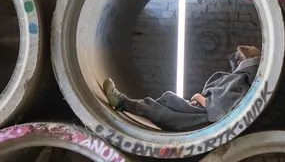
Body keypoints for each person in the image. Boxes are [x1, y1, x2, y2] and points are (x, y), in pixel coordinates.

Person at [103, 45, 261, 131]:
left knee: (163, 111)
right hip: (199, 114)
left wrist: (198, 98)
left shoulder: (240, 79)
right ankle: (123, 102)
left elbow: (219, 110)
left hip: (201, 121)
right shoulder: (240, 79)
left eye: (239, 60)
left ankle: (122, 102)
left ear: (243, 61)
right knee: (168, 100)